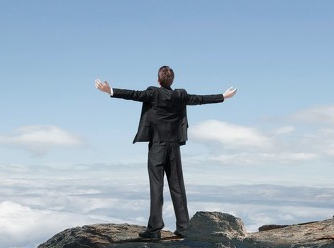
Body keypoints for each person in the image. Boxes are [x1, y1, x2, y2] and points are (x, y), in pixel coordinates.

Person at [94, 67, 237, 239]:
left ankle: (154, 230)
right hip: (174, 147)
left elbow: (133, 94)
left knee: (157, 188)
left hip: (157, 147)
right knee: (177, 187)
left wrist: (109, 90)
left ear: (158, 80)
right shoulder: (180, 95)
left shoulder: (153, 93)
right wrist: (223, 96)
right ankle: (184, 228)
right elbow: (200, 99)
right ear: (172, 81)